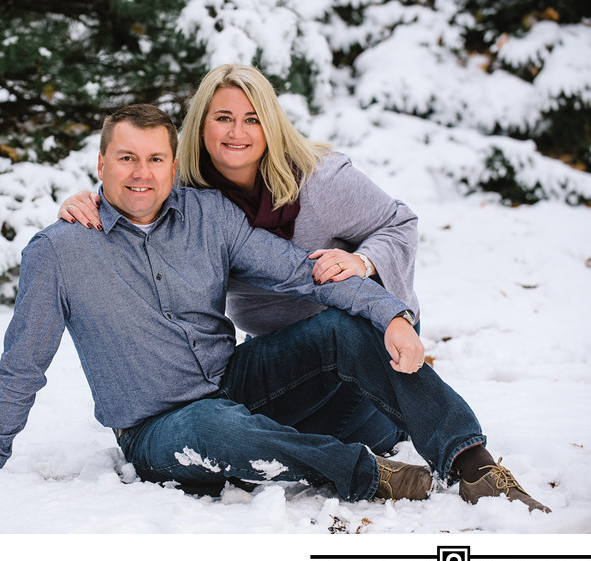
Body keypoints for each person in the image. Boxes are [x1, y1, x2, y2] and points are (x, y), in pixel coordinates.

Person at [0, 104, 550, 514]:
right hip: (157, 426)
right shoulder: (59, 251)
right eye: (127, 158)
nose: (142, 173)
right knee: (212, 426)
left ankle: (470, 461)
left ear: (172, 162)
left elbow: (302, 273)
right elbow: (23, 365)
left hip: (236, 381)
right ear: (101, 164)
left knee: (340, 327)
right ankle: (371, 474)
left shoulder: (209, 216)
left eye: (155, 158)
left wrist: (389, 313)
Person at [58, 64, 418, 458]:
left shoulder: (322, 181)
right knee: (257, 434)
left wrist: (363, 261)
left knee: (342, 436)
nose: (237, 132)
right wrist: (89, 201)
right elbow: (134, 188)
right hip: (280, 351)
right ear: (201, 126)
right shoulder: (187, 196)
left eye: (252, 119)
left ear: (271, 126)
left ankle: (399, 413)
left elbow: (399, 222)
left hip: (366, 331)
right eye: (223, 118)